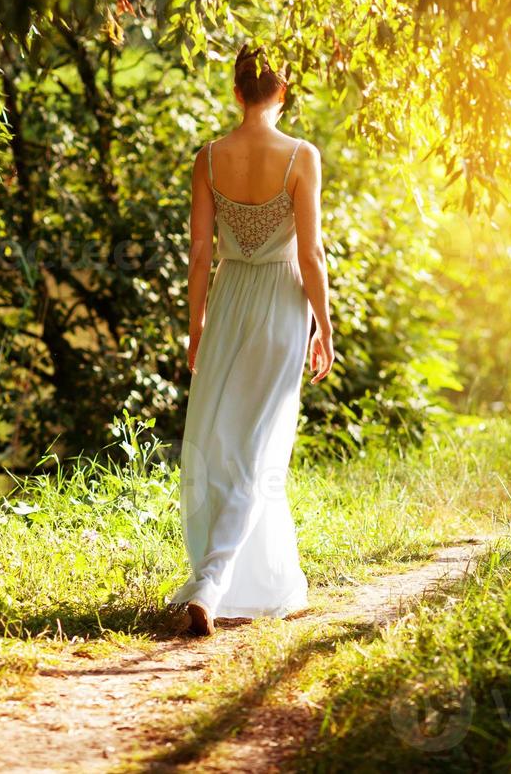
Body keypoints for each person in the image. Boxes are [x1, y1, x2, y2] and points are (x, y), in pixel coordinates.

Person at [168, 42, 335, 637]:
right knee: (260, 447)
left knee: (227, 442)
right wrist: (323, 322)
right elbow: (311, 255)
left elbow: (199, 254)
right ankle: (213, 585)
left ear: (237, 92)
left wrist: (197, 326)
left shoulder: (209, 158)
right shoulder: (302, 156)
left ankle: (246, 581)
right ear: (282, 92)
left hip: (231, 300)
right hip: (282, 303)